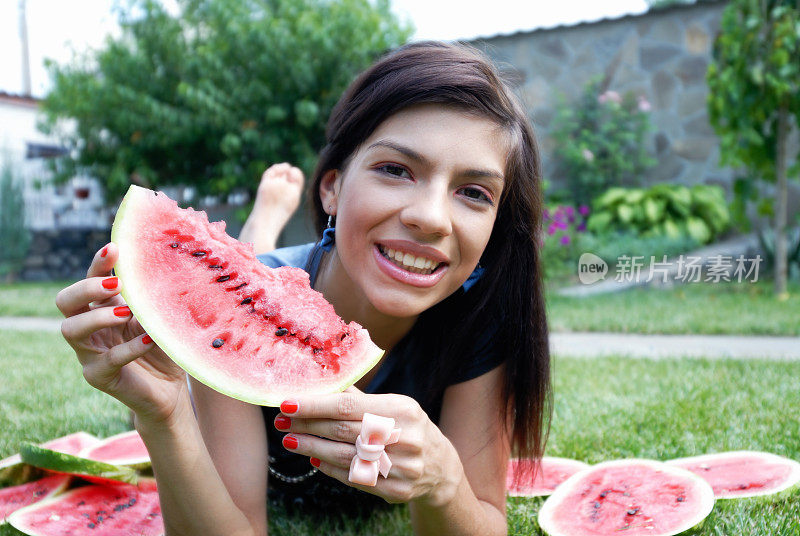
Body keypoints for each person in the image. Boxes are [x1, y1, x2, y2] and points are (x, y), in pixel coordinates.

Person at [56, 41, 551, 535]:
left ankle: (263, 227)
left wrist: (443, 480)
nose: (429, 217)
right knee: (256, 274)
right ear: (331, 187)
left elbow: (486, 518)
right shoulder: (227, 316)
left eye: (473, 192)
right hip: (272, 285)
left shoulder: (484, 316)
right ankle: (262, 227)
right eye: (395, 170)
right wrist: (165, 417)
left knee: (260, 269)